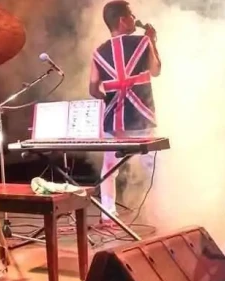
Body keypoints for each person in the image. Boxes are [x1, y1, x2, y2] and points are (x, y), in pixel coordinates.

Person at [89, 0, 161, 227]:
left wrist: (109, 99)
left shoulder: (98, 53)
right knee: (154, 167)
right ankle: (161, 212)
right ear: (122, 20)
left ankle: (107, 215)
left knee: (109, 168)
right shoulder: (142, 42)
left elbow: (93, 89)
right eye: (131, 15)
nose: (134, 18)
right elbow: (156, 70)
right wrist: (152, 40)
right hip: (141, 117)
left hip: (114, 122)